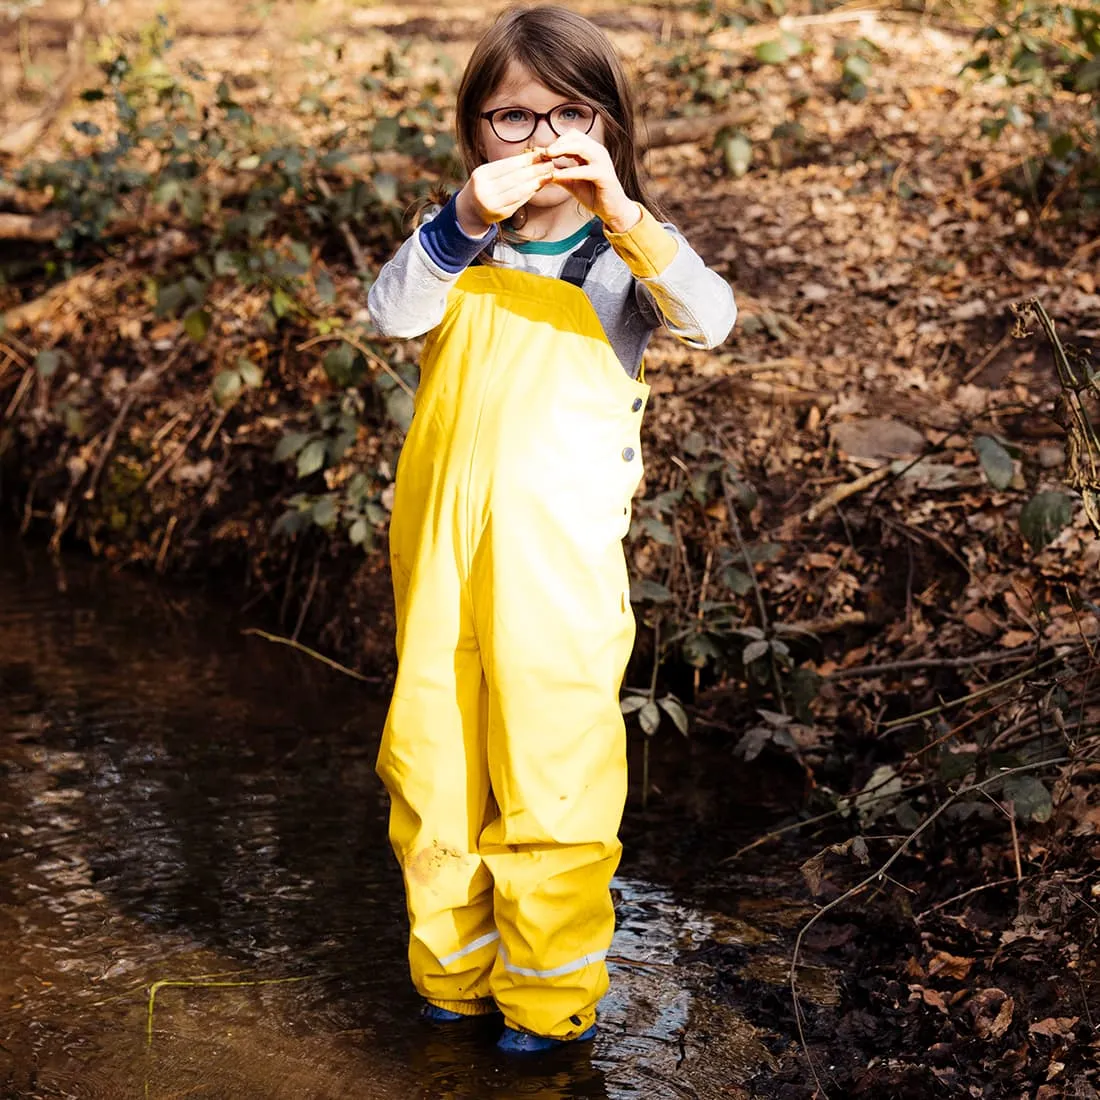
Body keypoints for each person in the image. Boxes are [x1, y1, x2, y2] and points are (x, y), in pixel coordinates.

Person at [368, 3, 736, 1055]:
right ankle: (449, 973)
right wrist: (454, 220)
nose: (539, 140)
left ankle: (544, 999)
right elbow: (390, 312)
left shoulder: (619, 259)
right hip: (438, 564)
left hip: (558, 574)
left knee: (552, 768)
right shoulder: (452, 250)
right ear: (474, 131)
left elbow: (709, 319)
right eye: (510, 118)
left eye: (568, 114)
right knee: (433, 759)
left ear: (608, 125)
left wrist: (620, 209)